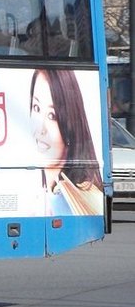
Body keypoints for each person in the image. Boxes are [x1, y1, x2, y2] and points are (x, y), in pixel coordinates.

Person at [29, 69, 103, 215]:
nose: (40, 128)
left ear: (70, 127)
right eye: (36, 108)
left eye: (52, 116)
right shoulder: (44, 194)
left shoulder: (71, 199)